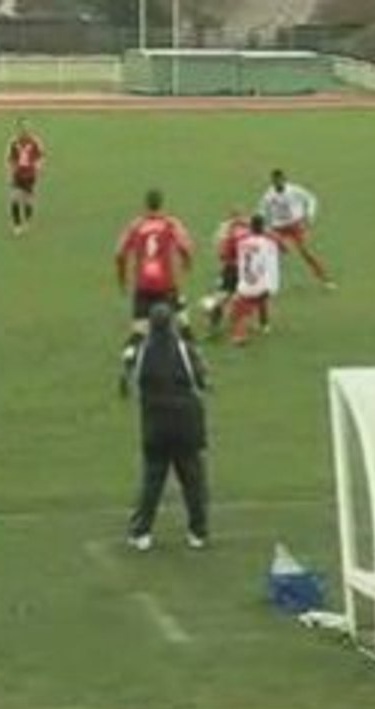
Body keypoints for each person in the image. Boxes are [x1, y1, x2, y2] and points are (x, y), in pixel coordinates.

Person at [127, 303, 210, 552]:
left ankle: (141, 532)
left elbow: (133, 382)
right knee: (192, 479)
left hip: (156, 424)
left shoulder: (142, 352)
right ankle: (198, 532)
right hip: (186, 422)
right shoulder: (185, 350)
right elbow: (201, 379)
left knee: (153, 479)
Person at [115, 189, 194, 393]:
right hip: (166, 285)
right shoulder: (170, 223)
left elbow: (119, 253)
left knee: (138, 333)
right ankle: (195, 370)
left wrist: (122, 279)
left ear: (146, 204)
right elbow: (185, 246)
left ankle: (128, 365)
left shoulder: (136, 225)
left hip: (143, 286)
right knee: (182, 324)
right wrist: (187, 263)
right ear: (161, 204)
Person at [258, 169, 334, 289]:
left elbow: (311, 198)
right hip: (278, 227)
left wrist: (309, 215)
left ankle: (324, 279)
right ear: (272, 181)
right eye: (275, 180)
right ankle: (263, 283)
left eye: (280, 180)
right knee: (271, 255)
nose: (278, 183)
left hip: (295, 225)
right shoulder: (268, 195)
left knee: (306, 252)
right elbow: (262, 210)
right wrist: (263, 225)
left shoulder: (294, 190)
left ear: (284, 179)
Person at [198, 208, 251, 337]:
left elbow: (222, 253)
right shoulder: (248, 228)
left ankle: (213, 319)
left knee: (224, 295)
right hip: (246, 268)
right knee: (244, 296)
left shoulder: (227, 231)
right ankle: (260, 325)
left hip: (231, 268)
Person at [228, 214, 280, 345]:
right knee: (260, 299)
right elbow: (283, 248)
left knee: (237, 312)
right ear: (263, 227)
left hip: (245, 285)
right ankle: (263, 325)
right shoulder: (268, 243)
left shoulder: (241, 243)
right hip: (264, 286)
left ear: (250, 227)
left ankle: (239, 336)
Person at [6, 118, 45, 236]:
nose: (25, 129)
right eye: (22, 127)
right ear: (19, 128)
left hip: (30, 175)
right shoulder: (14, 142)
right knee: (14, 198)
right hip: (17, 174)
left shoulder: (35, 141)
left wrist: (38, 166)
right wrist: (10, 171)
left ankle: (27, 220)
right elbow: (10, 158)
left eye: (27, 127)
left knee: (28, 201)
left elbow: (41, 156)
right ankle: (17, 225)